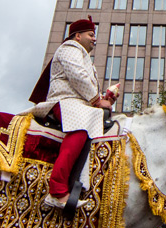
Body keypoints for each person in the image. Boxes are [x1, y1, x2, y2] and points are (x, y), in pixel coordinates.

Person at [29, 16, 119, 210]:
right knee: (80, 127)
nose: (94, 39)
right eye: (91, 34)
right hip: (65, 102)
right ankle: (57, 190)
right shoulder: (69, 48)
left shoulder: (82, 54)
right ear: (77, 36)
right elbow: (77, 76)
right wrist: (97, 100)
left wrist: (105, 98)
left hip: (78, 103)